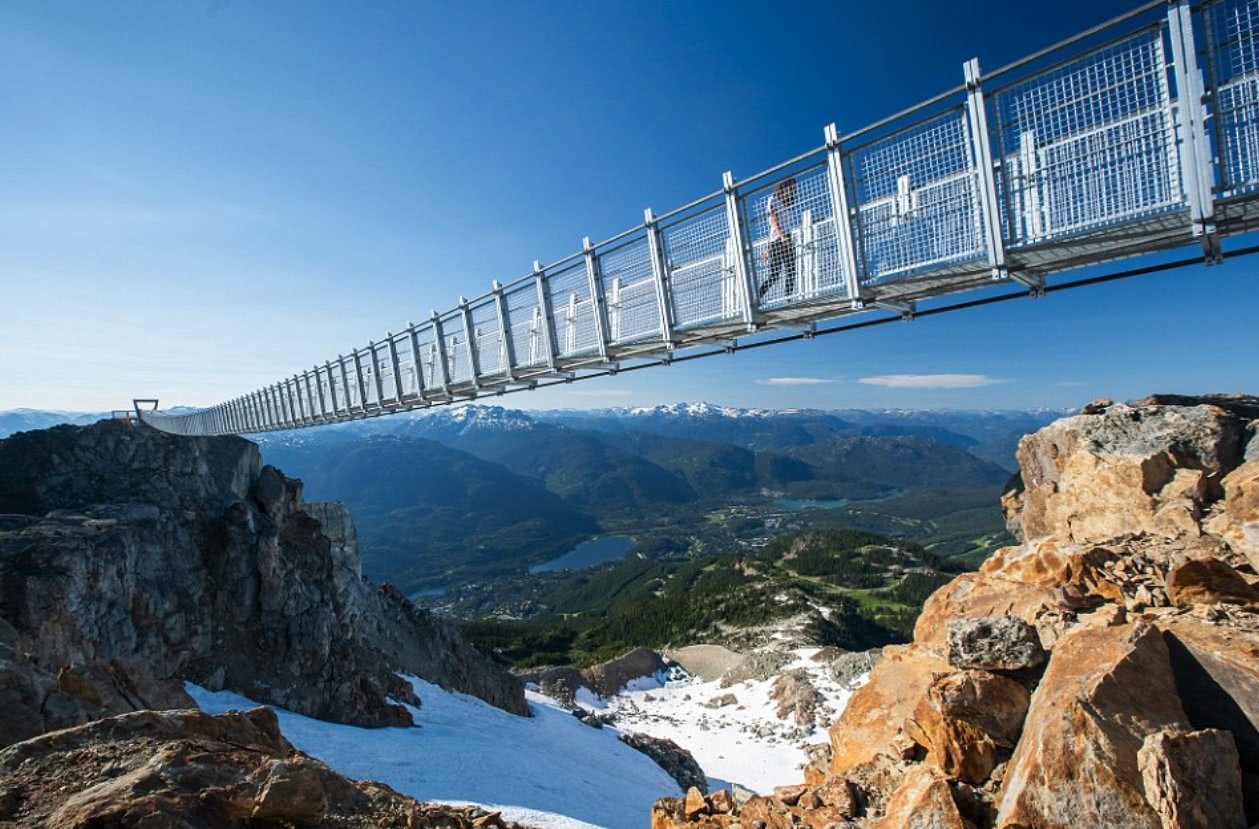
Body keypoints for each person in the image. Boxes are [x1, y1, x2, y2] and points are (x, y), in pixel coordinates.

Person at [759, 177, 799, 301]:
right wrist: (780, 238)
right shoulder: (773, 200)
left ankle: (789, 298)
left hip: (786, 237)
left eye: (793, 189)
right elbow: (773, 221)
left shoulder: (788, 204)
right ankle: (757, 296)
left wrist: (786, 238)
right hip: (778, 239)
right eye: (790, 188)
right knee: (775, 274)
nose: (792, 191)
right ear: (783, 188)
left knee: (791, 270)